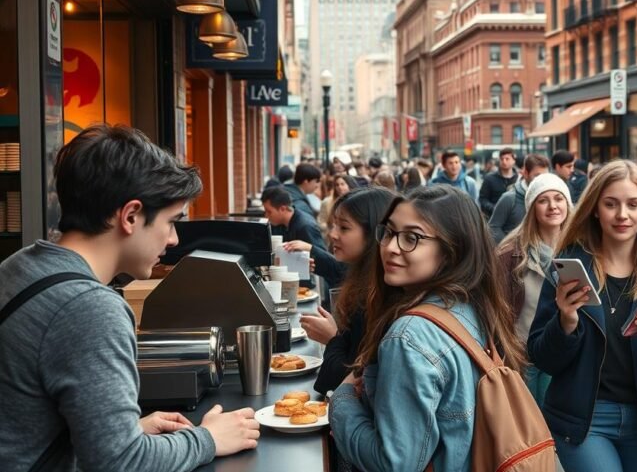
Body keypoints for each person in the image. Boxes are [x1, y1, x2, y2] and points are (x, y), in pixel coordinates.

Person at [0, 125, 259, 472]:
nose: (173, 239)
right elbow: (121, 463)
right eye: (171, 222)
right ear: (131, 216)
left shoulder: (19, 265)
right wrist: (209, 438)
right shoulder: (90, 308)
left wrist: (128, 431)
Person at [330, 185, 527, 471]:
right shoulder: (471, 307)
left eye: (412, 238)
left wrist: (342, 401)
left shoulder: (409, 336)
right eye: (389, 232)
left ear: (451, 252)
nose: (391, 247)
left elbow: (394, 464)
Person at [528, 160, 637, 472]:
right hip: (583, 420)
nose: (622, 215)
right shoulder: (568, 266)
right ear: (594, 209)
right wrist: (565, 322)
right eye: (610, 204)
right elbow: (541, 357)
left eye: (633, 204)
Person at [300, 188, 397, 396]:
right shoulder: (362, 283)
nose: (333, 234)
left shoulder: (377, 296)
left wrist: (333, 339)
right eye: (334, 225)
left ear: (373, 234)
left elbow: (350, 380)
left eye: (344, 228)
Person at [496, 173, 573, 403]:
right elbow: (496, 309)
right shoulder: (509, 254)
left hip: (561, 349)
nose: (552, 206)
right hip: (521, 354)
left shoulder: (581, 250)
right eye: (543, 200)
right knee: (528, 424)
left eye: (558, 198)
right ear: (532, 208)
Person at [263, 187, 344, 288]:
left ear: (283, 209)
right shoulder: (285, 224)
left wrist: (309, 249)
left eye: (269, 211)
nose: (266, 216)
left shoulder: (305, 226)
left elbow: (325, 260)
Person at [489, 153, 551, 243]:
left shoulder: (550, 197)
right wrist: (510, 246)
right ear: (525, 173)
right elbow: (493, 228)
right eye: (537, 176)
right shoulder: (509, 198)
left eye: (545, 176)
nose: (541, 180)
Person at [479, 147, 519, 216]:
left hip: (515, 218)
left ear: (513, 160)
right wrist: (494, 208)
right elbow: (483, 199)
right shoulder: (489, 178)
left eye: (507, 159)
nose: (504, 161)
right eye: (501, 159)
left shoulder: (519, 179)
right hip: (494, 218)